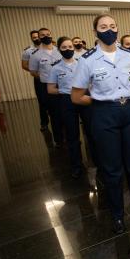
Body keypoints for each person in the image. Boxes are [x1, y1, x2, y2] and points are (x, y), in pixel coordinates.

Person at [71, 14, 130, 233]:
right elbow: (76, 96)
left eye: (112, 26)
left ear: (117, 29)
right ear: (95, 32)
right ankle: (118, 215)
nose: (109, 30)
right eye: (103, 27)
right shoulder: (87, 60)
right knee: (112, 169)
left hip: (129, 112)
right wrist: (100, 100)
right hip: (104, 114)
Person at [48, 37, 87, 178]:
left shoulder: (82, 64)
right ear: (59, 50)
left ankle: (97, 162)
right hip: (66, 101)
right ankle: (76, 165)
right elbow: (50, 89)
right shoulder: (55, 68)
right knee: (72, 135)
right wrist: (65, 90)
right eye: (64, 47)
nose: (68, 49)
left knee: (91, 131)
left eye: (70, 46)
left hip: (83, 98)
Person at [29, 27, 63, 141]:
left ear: (51, 35)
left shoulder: (59, 50)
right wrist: (45, 77)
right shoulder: (35, 54)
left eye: (48, 34)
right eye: (42, 35)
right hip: (47, 87)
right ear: (39, 37)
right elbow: (33, 72)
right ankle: (58, 139)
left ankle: (68, 136)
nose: (46, 36)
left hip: (62, 84)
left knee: (65, 111)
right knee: (54, 114)